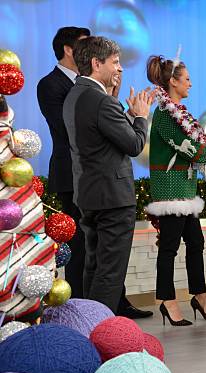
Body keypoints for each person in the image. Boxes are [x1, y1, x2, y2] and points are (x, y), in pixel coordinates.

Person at [38, 29, 151, 319]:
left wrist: (121, 109)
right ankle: (100, 331)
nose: (120, 68)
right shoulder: (100, 100)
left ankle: (87, 325)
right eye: (115, 61)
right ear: (97, 64)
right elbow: (135, 144)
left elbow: (106, 138)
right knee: (110, 272)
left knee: (93, 267)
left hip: (89, 194)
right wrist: (139, 116)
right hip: (112, 197)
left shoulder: (77, 93)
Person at [145, 55, 206, 326]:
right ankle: (167, 300)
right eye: (186, 79)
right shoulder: (165, 115)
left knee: (195, 243)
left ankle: (199, 296)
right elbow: (193, 150)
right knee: (169, 247)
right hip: (171, 190)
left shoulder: (181, 113)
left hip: (185, 189)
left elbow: (198, 148)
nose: (190, 84)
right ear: (173, 82)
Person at [37, 26, 89, 299]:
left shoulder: (90, 83)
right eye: (84, 45)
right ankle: (80, 302)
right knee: (79, 241)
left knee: (101, 241)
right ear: (68, 49)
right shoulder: (50, 84)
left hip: (94, 173)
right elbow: (64, 128)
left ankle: (114, 300)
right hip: (70, 172)